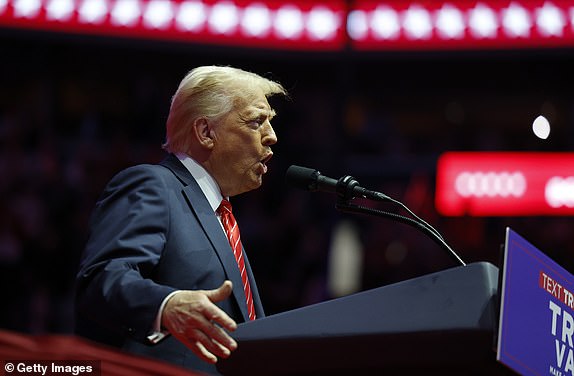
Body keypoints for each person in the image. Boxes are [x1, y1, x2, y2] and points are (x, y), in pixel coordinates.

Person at [74, 65, 287, 374]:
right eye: (257, 121)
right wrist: (167, 305)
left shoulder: (221, 216)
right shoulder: (154, 185)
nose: (272, 137)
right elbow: (102, 280)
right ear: (205, 132)